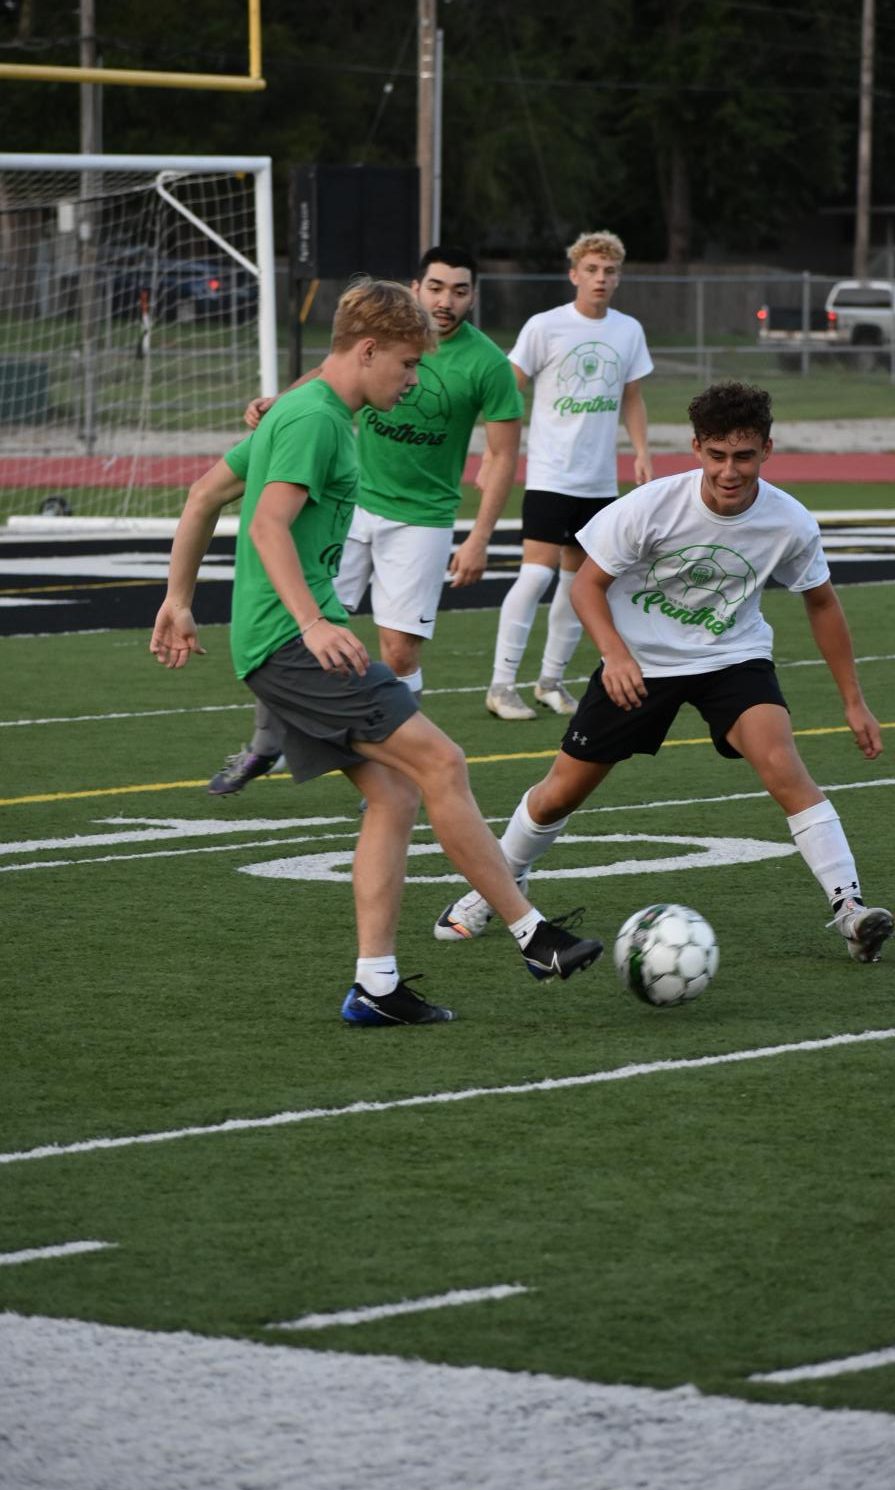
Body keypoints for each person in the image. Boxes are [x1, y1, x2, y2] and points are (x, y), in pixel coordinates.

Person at [150, 278, 603, 1026]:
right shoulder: (314, 421)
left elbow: (203, 494)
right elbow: (265, 527)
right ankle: (532, 933)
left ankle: (377, 986)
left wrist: (178, 599)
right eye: (406, 364)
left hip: (281, 643)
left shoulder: (309, 412)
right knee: (442, 762)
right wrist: (314, 622)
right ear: (366, 350)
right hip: (299, 646)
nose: (415, 379)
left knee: (393, 794)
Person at [437, 380, 895, 964]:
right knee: (558, 796)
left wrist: (854, 701)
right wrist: (615, 653)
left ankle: (850, 910)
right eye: (718, 455)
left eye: (745, 457)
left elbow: (822, 603)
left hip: (731, 657)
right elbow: (586, 586)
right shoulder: (649, 507)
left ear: (767, 451)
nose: (731, 471)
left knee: (783, 764)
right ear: (698, 448)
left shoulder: (790, 522)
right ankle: (494, 888)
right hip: (640, 662)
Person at [208, 244, 523, 795]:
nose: (446, 300)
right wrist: (280, 404)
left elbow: (501, 455)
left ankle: (397, 766)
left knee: (398, 650)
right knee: (296, 624)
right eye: (437, 287)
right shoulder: (372, 346)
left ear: (473, 295)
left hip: (422, 517)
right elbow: (336, 368)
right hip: (353, 505)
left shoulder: (488, 365)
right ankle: (265, 742)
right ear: (416, 288)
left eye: (460, 290)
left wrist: (479, 536)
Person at [485, 230, 654, 722]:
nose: (601, 279)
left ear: (617, 278)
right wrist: (498, 455)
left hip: (599, 482)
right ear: (574, 274)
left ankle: (550, 682)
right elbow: (506, 387)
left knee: (581, 582)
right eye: (592, 270)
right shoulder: (545, 327)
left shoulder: (628, 331)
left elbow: (633, 397)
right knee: (535, 575)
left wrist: (641, 451)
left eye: (610, 271)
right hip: (550, 476)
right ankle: (500, 685)